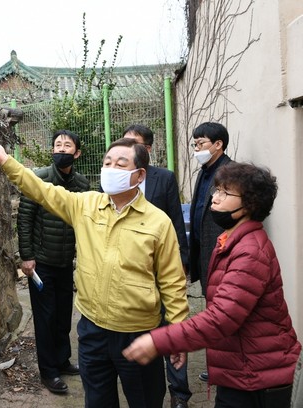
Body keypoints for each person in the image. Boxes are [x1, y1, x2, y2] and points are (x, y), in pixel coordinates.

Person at [0, 137, 189, 407]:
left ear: (139, 174)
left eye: (120, 163)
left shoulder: (157, 222)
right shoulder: (86, 205)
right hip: (93, 330)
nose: (110, 168)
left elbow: (172, 284)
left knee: (145, 400)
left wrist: (176, 335)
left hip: (139, 333)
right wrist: (6, 161)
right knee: (97, 400)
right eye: (107, 162)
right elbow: (43, 191)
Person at [123, 162, 301, 408]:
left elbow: (221, 318)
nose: (214, 198)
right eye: (216, 190)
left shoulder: (249, 251)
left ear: (249, 204)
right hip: (243, 370)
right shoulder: (231, 240)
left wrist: (160, 341)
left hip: (258, 378)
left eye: (225, 193)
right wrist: (182, 341)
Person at [122, 124, 191, 408]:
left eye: (133, 143)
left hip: (162, 266)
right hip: (131, 270)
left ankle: (179, 393)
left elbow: (176, 220)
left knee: (172, 326)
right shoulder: (117, 179)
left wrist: (183, 262)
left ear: (147, 150)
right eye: (123, 141)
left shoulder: (164, 178)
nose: (125, 148)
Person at [17, 130, 90, 394]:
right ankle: (48, 372)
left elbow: (85, 222)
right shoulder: (39, 179)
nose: (61, 149)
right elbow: (24, 219)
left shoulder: (82, 184)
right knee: (45, 318)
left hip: (64, 262)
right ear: (51, 151)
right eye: (57, 145)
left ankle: (62, 360)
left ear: (77, 153)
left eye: (67, 145)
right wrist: (26, 256)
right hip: (41, 263)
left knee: (62, 315)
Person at [188, 122, 232, 382]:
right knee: (212, 309)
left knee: (222, 311)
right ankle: (216, 364)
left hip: (221, 254)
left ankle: (222, 367)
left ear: (218, 144)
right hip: (205, 254)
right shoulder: (204, 172)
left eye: (201, 143)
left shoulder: (230, 173)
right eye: (195, 144)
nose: (197, 149)